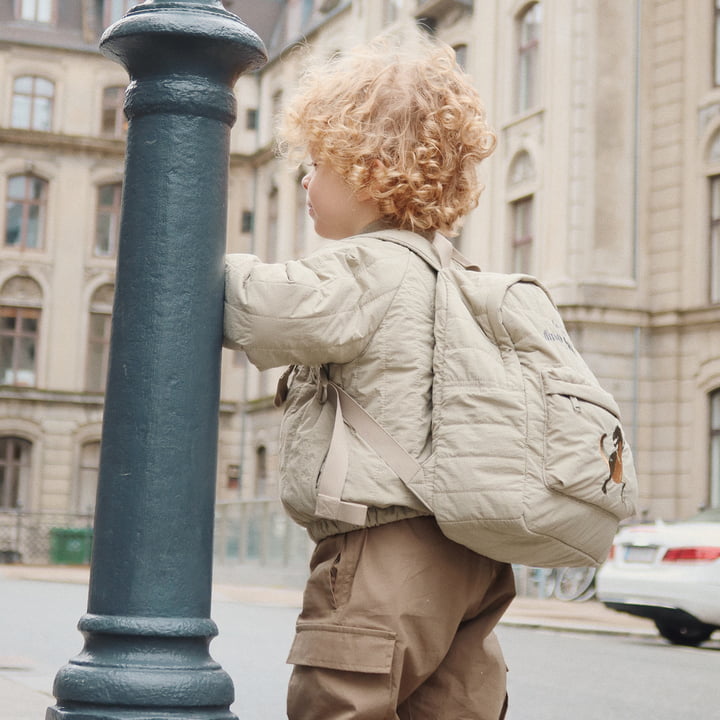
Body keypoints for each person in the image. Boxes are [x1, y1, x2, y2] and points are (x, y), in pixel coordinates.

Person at [223, 28, 516, 720]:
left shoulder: (366, 269)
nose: (305, 178)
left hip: (383, 549)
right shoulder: (453, 271)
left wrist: (193, 251)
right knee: (453, 708)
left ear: (370, 170)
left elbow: (260, 311)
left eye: (319, 161)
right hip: (472, 554)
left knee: (342, 698)